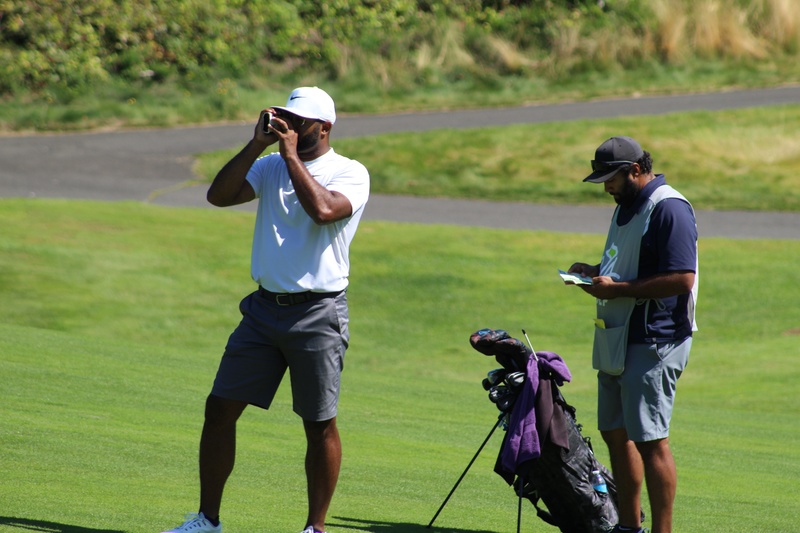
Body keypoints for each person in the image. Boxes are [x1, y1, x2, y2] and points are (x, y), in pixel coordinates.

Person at [162, 86, 370, 533]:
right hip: (262, 311)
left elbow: (323, 211)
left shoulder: (349, 171)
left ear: (324, 127)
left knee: (318, 423)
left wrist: (290, 155)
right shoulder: (270, 164)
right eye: (285, 117)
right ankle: (207, 520)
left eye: (299, 121)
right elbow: (219, 196)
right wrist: (257, 144)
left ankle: (315, 528)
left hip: (318, 313)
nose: (288, 126)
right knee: (219, 409)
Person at [567, 136, 698, 533]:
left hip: (655, 338)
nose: (606, 187)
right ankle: (628, 526)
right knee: (614, 432)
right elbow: (628, 265)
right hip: (617, 334)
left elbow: (682, 277)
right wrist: (594, 273)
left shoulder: (669, 208)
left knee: (650, 440)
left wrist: (618, 289)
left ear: (636, 170)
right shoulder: (626, 204)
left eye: (611, 179)